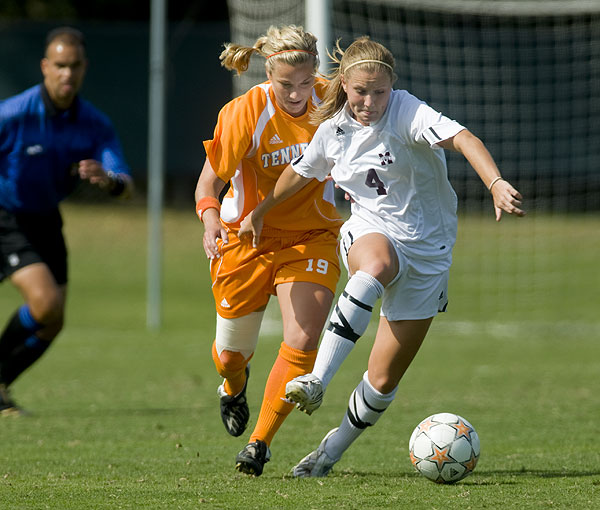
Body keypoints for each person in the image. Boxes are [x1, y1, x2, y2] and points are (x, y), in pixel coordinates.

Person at [238, 36, 525, 477]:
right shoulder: (333, 129)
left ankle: (328, 453)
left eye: (379, 91)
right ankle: (317, 380)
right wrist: (259, 211)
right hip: (371, 228)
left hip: (429, 254)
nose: (369, 101)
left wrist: (495, 183)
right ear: (345, 86)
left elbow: (464, 138)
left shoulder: (408, 110)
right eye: (360, 91)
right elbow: (299, 172)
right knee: (375, 265)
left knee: (383, 380)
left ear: (391, 87)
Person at [194, 25, 342, 476]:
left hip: (312, 236)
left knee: (303, 338)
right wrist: (211, 218)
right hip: (247, 240)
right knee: (230, 355)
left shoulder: (334, 101)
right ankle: (232, 386)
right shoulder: (244, 112)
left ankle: (259, 443)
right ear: (268, 73)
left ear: (316, 70)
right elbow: (208, 183)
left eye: (305, 82)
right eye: (286, 85)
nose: (298, 94)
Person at [0, 27, 133, 416]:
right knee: (45, 303)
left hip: (45, 220)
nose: (66, 75)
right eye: (59, 66)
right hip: (6, 216)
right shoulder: (14, 114)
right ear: (45, 66)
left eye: (74, 66)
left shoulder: (93, 123)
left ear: (84, 68)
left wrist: (107, 182)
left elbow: (125, 186)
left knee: (53, 319)